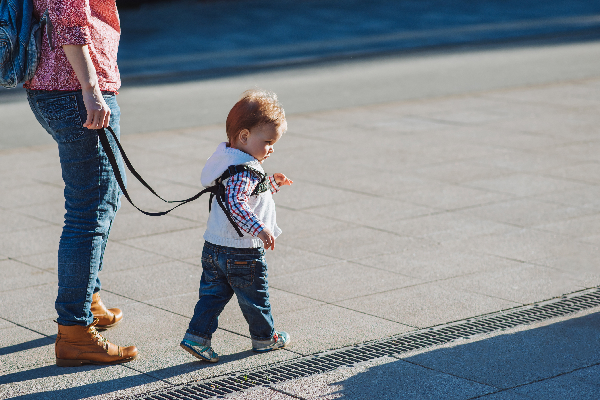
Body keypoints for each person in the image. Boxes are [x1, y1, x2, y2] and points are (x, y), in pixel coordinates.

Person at [24, 0, 137, 366]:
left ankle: (88, 299)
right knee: (89, 213)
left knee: (100, 203)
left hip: (57, 86)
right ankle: (74, 332)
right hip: (77, 90)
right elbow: (68, 19)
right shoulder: (82, 89)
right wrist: (91, 87)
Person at [180, 89, 292, 362]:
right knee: (255, 297)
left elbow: (250, 197)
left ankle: (197, 337)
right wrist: (259, 229)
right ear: (244, 136)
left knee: (212, 296)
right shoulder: (245, 169)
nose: (271, 148)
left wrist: (273, 184)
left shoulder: (227, 160)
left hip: (215, 245)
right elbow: (237, 204)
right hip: (242, 250)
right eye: (267, 141)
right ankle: (265, 338)